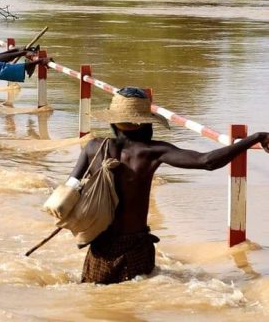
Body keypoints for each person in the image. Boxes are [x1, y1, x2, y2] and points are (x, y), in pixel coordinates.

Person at [59, 87, 269, 285]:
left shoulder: (93, 147)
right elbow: (207, 161)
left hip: (99, 247)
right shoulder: (152, 152)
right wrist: (254, 138)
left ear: (113, 121)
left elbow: (68, 190)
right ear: (144, 122)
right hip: (136, 249)